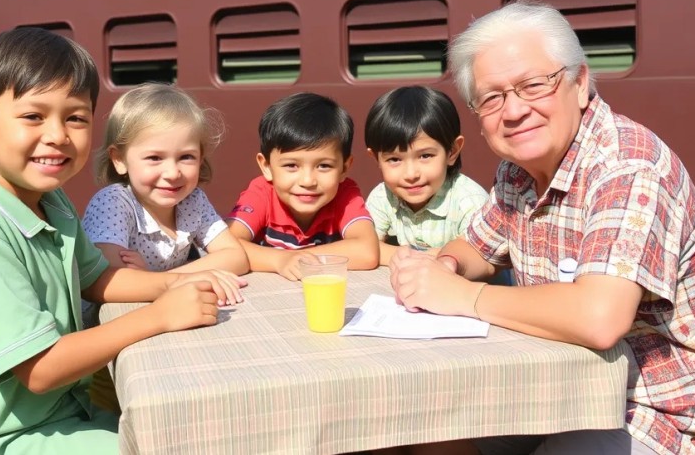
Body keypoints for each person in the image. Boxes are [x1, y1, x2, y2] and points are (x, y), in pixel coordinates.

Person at [389, 0, 695, 454]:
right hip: (556, 380)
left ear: (580, 84)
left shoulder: (627, 167)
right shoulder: (518, 169)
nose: (513, 111)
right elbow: (477, 246)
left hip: (654, 408)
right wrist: (441, 267)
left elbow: (599, 318)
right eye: (492, 98)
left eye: (533, 85)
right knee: (418, 433)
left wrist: (461, 295)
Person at [0, 28, 245, 454]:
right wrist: (159, 315)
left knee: (198, 428)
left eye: (76, 117)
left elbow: (96, 278)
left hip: (66, 412)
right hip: (3, 440)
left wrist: (175, 284)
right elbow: (41, 370)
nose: (58, 135)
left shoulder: (50, 200)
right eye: (33, 116)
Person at [81, 82, 249, 411]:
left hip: (168, 329)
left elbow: (235, 256)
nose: (172, 173)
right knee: (116, 416)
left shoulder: (193, 200)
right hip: (109, 353)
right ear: (119, 159)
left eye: (186, 157)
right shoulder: (114, 202)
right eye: (155, 158)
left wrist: (169, 277)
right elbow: (106, 283)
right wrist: (183, 279)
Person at [227, 92, 379, 280]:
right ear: (266, 166)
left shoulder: (345, 194)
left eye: (324, 166)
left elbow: (367, 251)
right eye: (291, 166)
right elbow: (227, 247)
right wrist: (279, 260)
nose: (308, 181)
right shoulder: (261, 193)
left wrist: (299, 259)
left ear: (344, 168)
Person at [364, 85, 489, 266]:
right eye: (394, 159)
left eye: (425, 156)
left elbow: (475, 259)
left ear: (452, 151)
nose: (411, 174)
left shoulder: (469, 203)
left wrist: (399, 256)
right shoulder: (382, 196)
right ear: (376, 159)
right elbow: (367, 249)